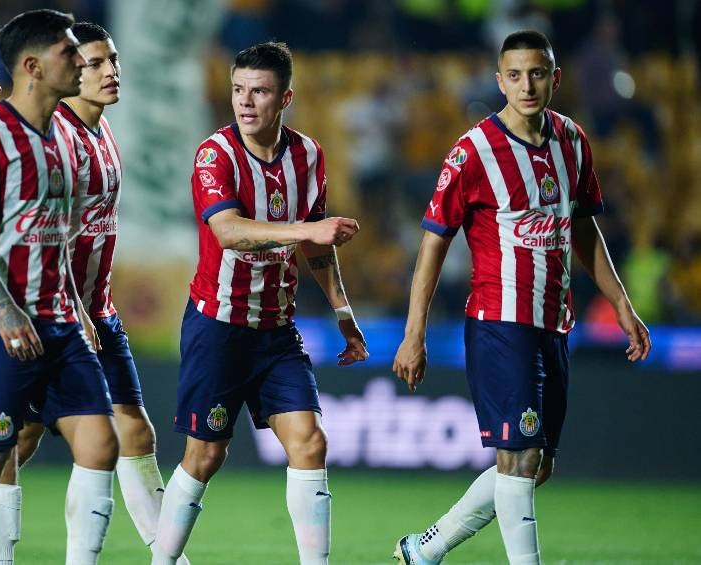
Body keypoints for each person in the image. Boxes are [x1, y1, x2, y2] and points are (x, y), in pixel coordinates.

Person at [391, 30, 651, 565]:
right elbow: (433, 243)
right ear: (500, 81)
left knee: (538, 465)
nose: (526, 85)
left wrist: (622, 305)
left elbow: (583, 229)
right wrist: (414, 333)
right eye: (515, 75)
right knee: (520, 455)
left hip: (553, 323)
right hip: (499, 322)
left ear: (555, 78)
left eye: (537, 73)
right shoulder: (473, 151)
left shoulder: (572, 140)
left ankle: (426, 548)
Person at [0, 21, 191, 565]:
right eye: (95, 63)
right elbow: (45, 234)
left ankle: (167, 557)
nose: (109, 71)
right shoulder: (58, 137)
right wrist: (73, 307)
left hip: (99, 311)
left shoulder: (103, 131)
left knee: (133, 433)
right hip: (57, 314)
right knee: (20, 440)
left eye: (112, 60)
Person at [150, 42, 368, 565]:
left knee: (310, 443)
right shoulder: (215, 154)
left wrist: (344, 314)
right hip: (218, 327)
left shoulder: (308, 155)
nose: (246, 102)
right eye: (238, 90)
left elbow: (317, 248)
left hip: (276, 331)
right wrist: (306, 229)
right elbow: (228, 232)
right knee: (205, 455)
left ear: (285, 98)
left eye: (260, 91)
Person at [0, 10, 120, 565]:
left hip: (60, 321)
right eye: (69, 52)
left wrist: (78, 308)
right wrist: (5, 308)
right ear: (32, 67)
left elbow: (57, 235)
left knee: (101, 444)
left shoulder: (65, 138)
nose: (81, 61)